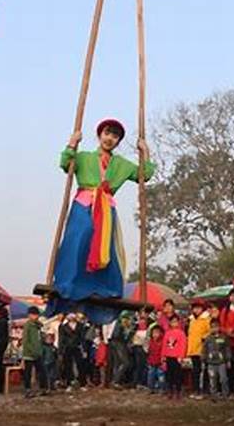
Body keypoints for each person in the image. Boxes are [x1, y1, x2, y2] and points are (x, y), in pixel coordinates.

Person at [52, 120, 155, 320]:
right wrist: (72, 143)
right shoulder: (84, 157)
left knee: (106, 247)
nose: (110, 138)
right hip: (84, 203)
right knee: (78, 241)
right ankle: (69, 283)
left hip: (106, 209)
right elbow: (65, 163)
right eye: (107, 133)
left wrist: (146, 152)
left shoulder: (122, 165)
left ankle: (103, 287)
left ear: (118, 142)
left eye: (115, 136)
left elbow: (145, 174)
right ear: (100, 135)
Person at [21, 306, 48, 397]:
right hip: (29, 353)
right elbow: (25, 340)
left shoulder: (38, 326)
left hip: (38, 352)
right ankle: (27, 389)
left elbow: (40, 338)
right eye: (34, 315)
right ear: (29, 315)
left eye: (37, 315)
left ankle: (43, 388)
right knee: (28, 373)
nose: (36, 316)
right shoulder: (28, 325)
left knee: (42, 371)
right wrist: (31, 351)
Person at [186, 300, 210, 398]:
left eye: (198, 308)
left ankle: (204, 390)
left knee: (203, 371)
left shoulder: (206, 319)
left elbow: (210, 331)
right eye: (194, 308)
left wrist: (203, 338)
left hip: (202, 349)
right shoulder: (191, 320)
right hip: (193, 349)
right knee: (195, 371)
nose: (196, 310)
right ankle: (195, 389)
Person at [202, 319, 231, 399]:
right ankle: (213, 395)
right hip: (211, 363)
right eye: (212, 327)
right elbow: (204, 350)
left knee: (223, 379)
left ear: (219, 327)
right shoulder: (208, 339)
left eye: (216, 327)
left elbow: (227, 349)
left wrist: (228, 360)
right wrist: (203, 360)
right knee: (212, 379)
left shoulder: (223, 338)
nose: (214, 329)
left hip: (221, 362)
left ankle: (225, 394)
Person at [162, 315, 187, 400]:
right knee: (169, 375)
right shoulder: (167, 333)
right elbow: (164, 345)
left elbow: (183, 345)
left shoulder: (181, 333)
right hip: (168, 356)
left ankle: (178, 391)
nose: (174, 323)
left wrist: (181, 356)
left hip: (177, 358)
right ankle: (170, 390)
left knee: (177, 375)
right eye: (172, 321)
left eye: (176, 321)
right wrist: (163, 356)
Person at [59, 312, 86, 389]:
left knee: (80, 365)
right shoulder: (63, 327)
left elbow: (82, 338)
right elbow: (61, 339)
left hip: (77, 347)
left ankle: (82, 384)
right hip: (67, 347)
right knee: (68, 366)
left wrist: (84, 349)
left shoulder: (80, 326)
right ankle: (69, 383)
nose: (71, 317)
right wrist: (60, 351)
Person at [109, 311, 133, 387]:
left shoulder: (120, 324)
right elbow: (117, 336)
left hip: (115, 343)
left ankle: (115, 381)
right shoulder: (120, 325)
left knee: (117, 363)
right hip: (118, 344)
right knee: (125, 363)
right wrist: (128, 332)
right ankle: (116, 380)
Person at [146, 325, 165, 392]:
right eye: (154, 333)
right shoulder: (151, 341)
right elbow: (149, 351)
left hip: (160, 362)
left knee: (161, 376)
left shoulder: (162, 342)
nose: (155, 335)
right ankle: (151, 388)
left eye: (157, 333)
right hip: (152, 362)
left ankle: (161, 388)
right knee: (150, 375)